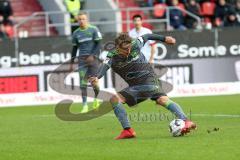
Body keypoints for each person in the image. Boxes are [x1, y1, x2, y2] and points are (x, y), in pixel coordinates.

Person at [89, 33, 196, 140]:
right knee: (162, 100)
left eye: (130, 47)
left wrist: (165, 39)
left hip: (148, 80)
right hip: (140, 84)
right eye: (125, 49)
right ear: (117, 48)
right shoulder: (112, 56)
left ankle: (128, 130)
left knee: (115, 100)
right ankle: (186, 120)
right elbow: (104, 67)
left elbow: (147, 36)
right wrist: (97, 77)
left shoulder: (136, 43)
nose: (129, 51)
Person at [70, 12, 102, 113]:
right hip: (82, 61)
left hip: (94, 60)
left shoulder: (94, 29)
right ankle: (84, 106)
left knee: (94, 83)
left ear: (87, 19)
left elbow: (99, 44)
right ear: (77, 20)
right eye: (79, 19)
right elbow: (74, 48)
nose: (81, 21)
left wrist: (92, 56)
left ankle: (96, 99)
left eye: (83, 19)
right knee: (82, 83)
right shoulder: (76, 33)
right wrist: (71, 62)